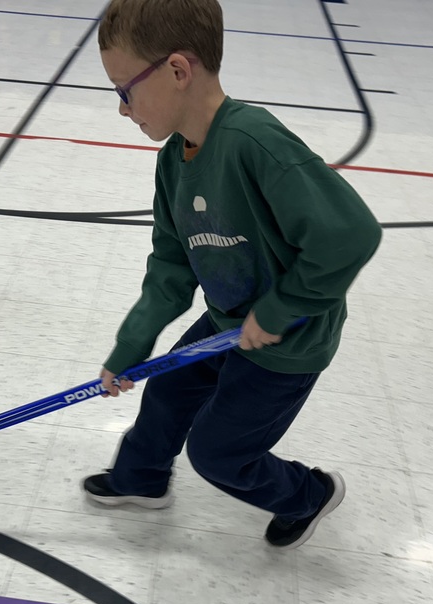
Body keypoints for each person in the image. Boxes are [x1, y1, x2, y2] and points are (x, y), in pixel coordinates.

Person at [83, 0, 382, 549]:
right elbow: (171, 265)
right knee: (168, 391)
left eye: (125, 90)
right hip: (228, 323)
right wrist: (133, 343)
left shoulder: (253, 142)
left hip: (286, 343)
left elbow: (351, 235)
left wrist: (278, 309)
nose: (122, 108)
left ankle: (309, 495)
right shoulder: (174, 159)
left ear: (177, 71)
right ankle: (141, 479)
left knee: (219, 454)